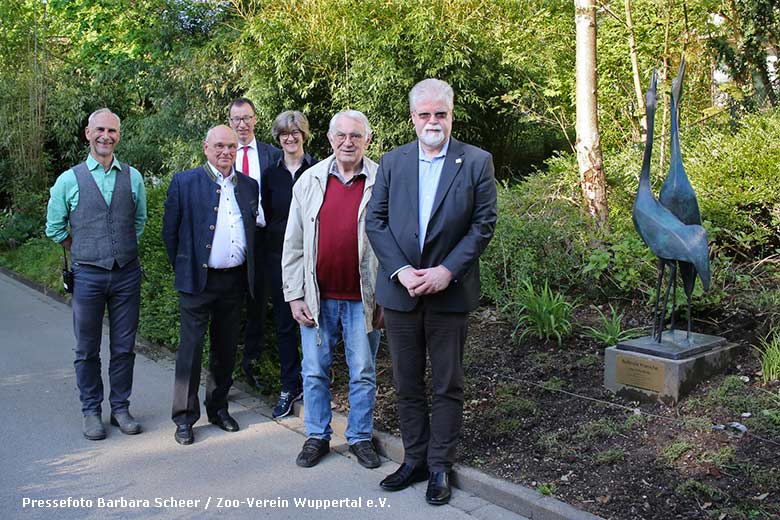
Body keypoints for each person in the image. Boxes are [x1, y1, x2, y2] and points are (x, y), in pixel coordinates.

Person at [366, 79, 497, 505]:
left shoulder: (476, 161)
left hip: (448, 293)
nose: (432, 121)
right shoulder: (392, 161)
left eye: (440, 113)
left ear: (451, 115)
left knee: (446, 383)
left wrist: (446, 271)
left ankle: (440, 464)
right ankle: (415, 458)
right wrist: (401, 271)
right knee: (405, 382)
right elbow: (376, 222)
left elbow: (483, 225)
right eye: (424, 114)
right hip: (401, 294)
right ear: (413, 119)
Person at [282, 110, 383, 469]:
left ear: (367, 140)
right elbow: (293, 244)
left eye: (356, 136)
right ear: (329, 138)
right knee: (313, 371)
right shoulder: (308, 181)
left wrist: (387, 295)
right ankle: (317, 436)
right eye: (341, 135)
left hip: (363, 299)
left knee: (363, 372)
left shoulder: (381, 179)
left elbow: (394, 241)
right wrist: (294, 295)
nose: (348, 142)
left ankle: (359, 437)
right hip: (317, 298)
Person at [45, 108, 147, 441]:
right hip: (87, 275)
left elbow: (139, 222)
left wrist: (117, 248)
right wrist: (85, 247)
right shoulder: (68, 180)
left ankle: (120, 408)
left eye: (112, 131)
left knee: (124, 347)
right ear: (87, 133)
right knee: (86, 349)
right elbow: (55, 227)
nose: (106, 136)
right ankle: (91, 411)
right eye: (100, 129)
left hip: (127, 274)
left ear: (119, 135)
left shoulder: (133, 177)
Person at [162, 125, 259, 445]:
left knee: (225, 348)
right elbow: (170, 234)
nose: (225, 152)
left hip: (234, 280)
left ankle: (218, 409)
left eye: (231, 147)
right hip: (197, 281)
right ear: (206, 148)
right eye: (219, 146)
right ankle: (185, 418)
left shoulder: (248, 186)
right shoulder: (185, 182)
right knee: (190, 351)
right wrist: (186, 268)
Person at [261, 110, 316, 418]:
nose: (290, 138)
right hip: (280, 261)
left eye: (295, 132)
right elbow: (268, 218)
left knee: (315, 323)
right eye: (284, 133)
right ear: (278, 138)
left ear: (304, 135)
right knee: (285, 326)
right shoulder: (270, 175)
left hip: (315, 259)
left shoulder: (319, 169)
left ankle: (314, 387)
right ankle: (289, 386)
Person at [228, 97, 282, 390]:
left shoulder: (272, 155)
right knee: (229, 305)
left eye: (246, 118)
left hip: (262, 240)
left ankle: (251, 365)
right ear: (229, 122)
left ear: (255, 119)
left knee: (258, 304)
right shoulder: (222, 153)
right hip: (231, 240)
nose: (242, 124)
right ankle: (224, 371)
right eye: (236, 119)